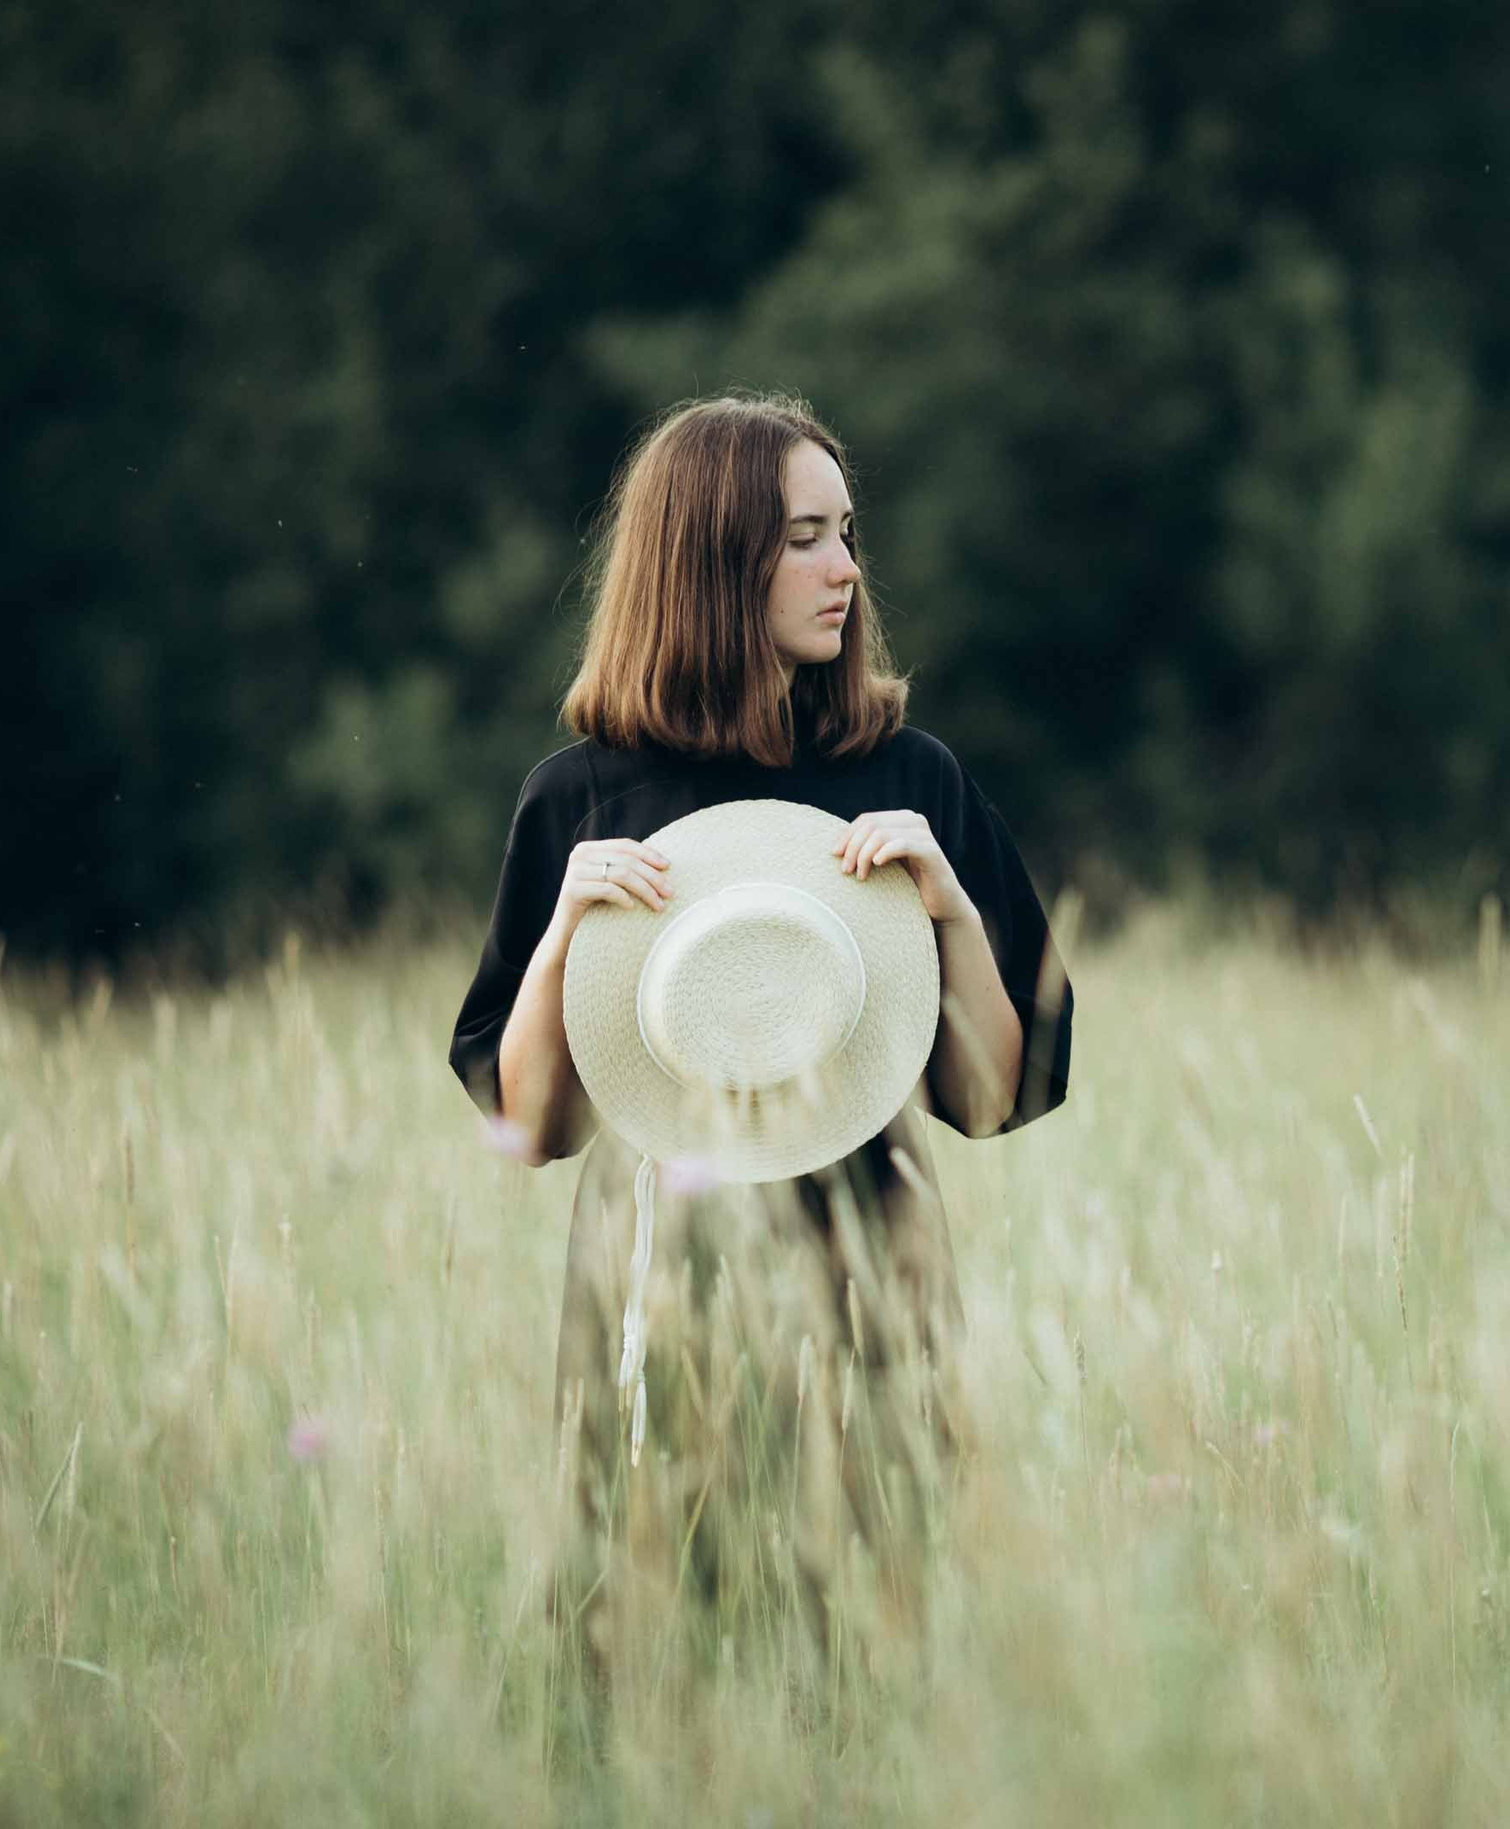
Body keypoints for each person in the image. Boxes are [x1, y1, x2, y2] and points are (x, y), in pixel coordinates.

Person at [446, 392, 1074, 1713]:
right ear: (715, 561)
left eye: (846, 533)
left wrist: (952, 906)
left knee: (873, 1635)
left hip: (869, 1254)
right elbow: (527, 1127)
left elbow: (995, 1093)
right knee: (648, 1630)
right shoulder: (580, 795)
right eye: (804, 538)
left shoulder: (909, 774)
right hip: (651, 1272)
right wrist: (563, 930)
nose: (847, 569)